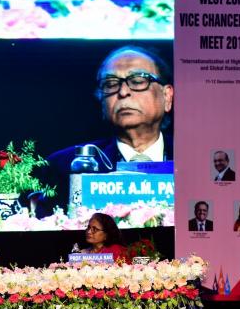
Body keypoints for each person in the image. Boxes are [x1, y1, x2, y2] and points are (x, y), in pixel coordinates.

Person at [41, 45, 174, 212]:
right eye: (111, 84)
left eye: (138, 81)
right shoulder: (64, 167)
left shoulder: (195, 163)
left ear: (167, 96)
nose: (123, 92)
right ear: (101, 101)